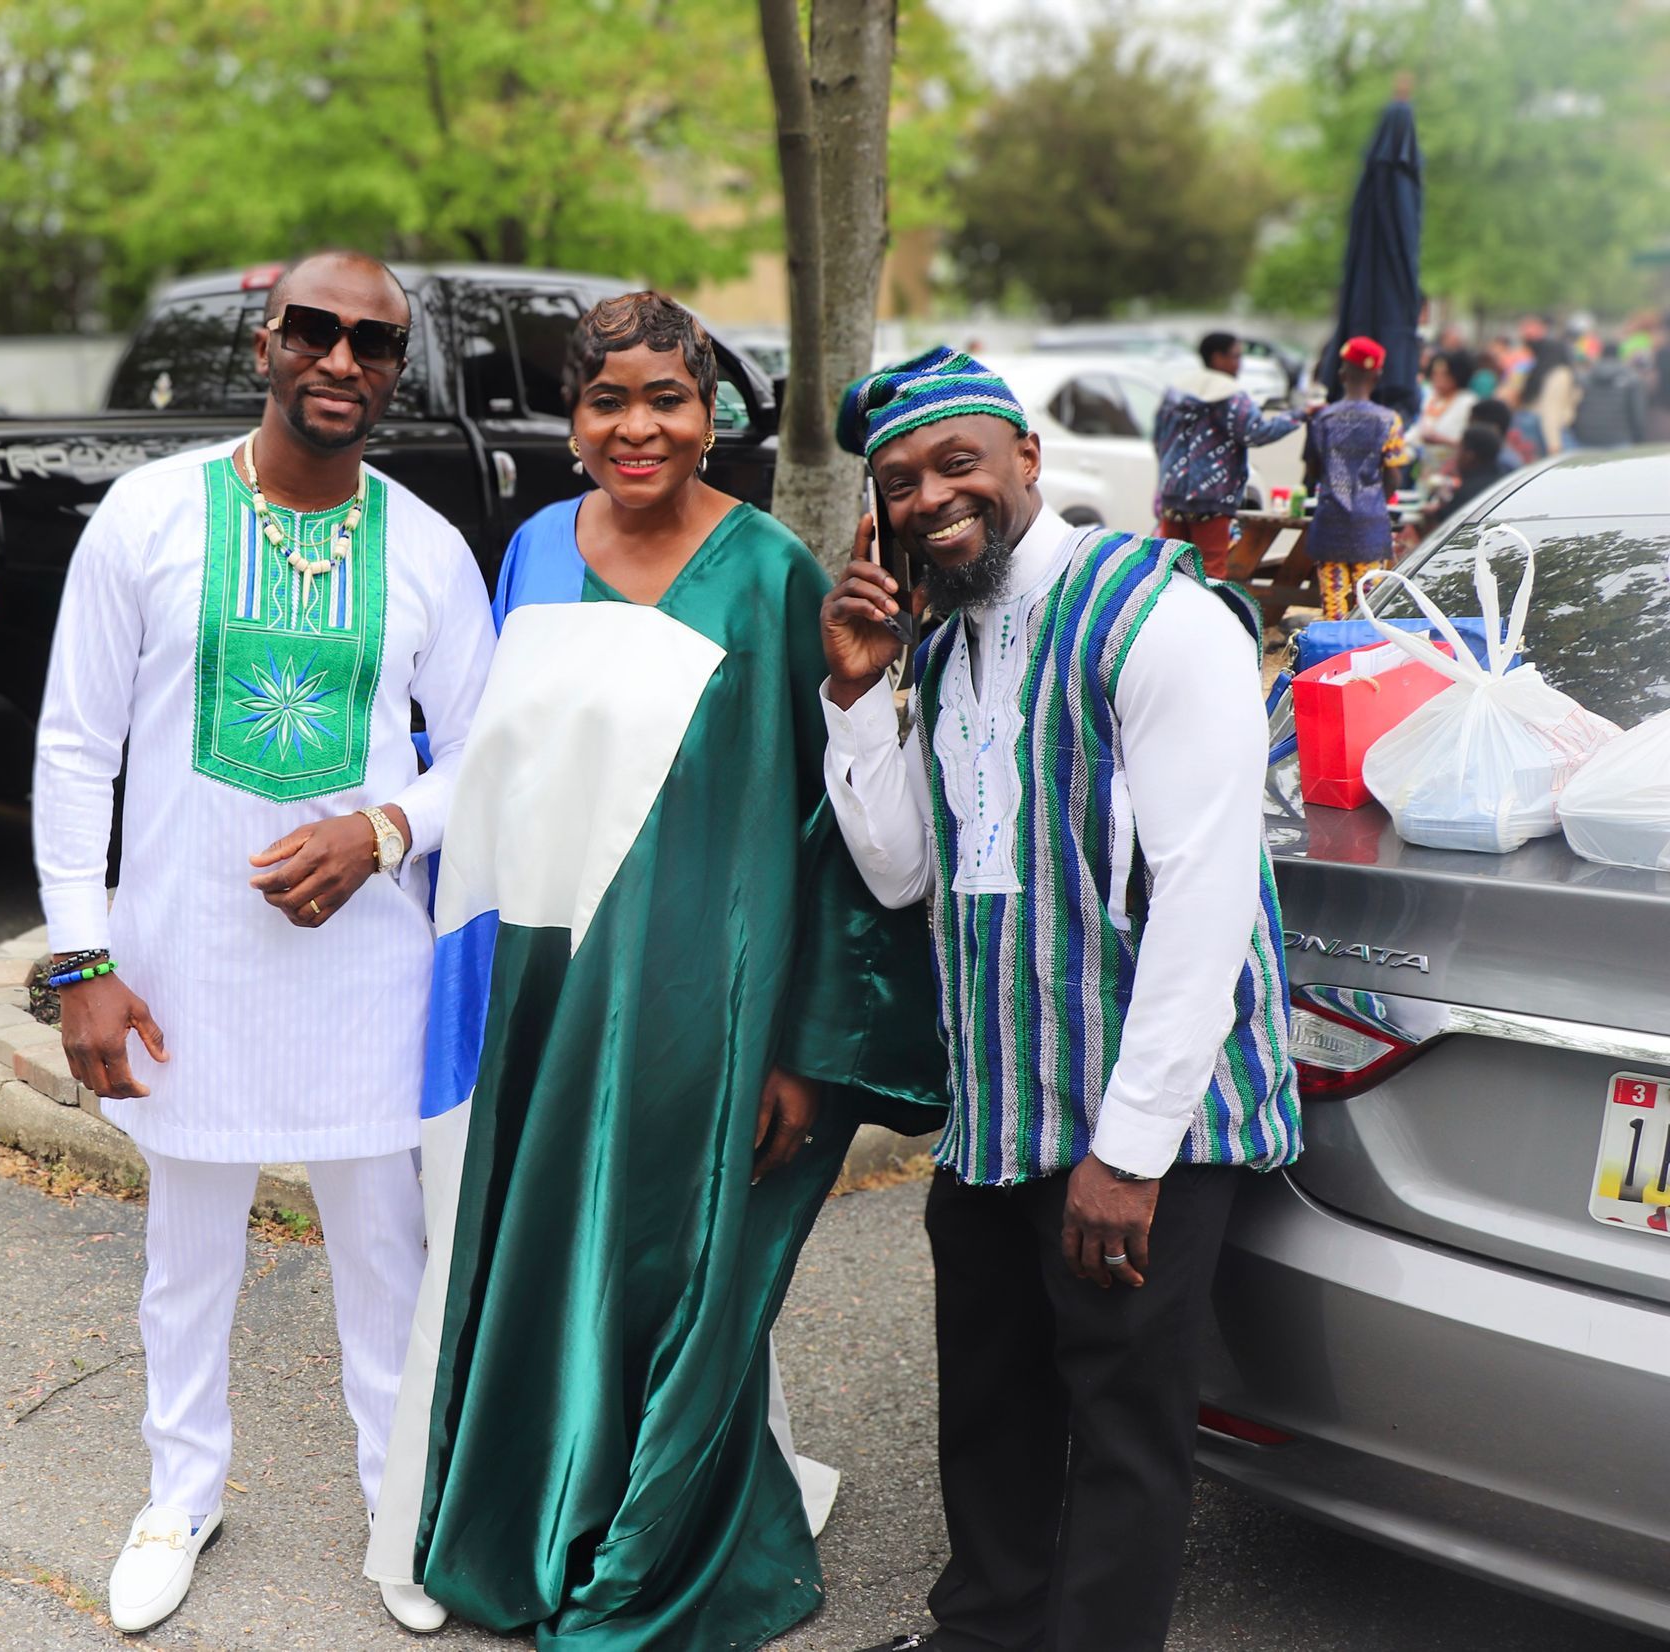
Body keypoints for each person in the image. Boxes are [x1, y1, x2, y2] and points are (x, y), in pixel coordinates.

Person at [364, 293, 940, 1651]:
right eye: (609, 400)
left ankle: (655, 1544)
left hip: (708, 1007)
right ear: (574, 422)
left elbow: (836, 841)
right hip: (545, 993)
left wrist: (799, 1046)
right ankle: (519, 1517)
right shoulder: (528, 555)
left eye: (666, 400)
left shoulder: (770, 575)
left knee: (671, 1270)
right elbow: (494, 781)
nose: (638, 427)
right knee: (543, 1254)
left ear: (712, 416)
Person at [32, 250, 496, 1634]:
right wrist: (81, 961)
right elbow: (72, 749)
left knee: (385, 1254)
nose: (341, 361)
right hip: (181, 962)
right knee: (189, 1256)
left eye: (373, 343)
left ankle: (397, 1501)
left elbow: (484, 749)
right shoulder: (148, 516)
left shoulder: (424, 544)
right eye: (315, 331)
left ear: (394, 372)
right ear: (264, 344)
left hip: (365, 969)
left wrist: (385, 834)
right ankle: (180, 1493)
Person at [818, 348, 1300, 1652]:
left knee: (1125, 1434)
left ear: (1027, 459)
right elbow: (905, 867)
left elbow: (1209, 899)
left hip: (1134, 1132)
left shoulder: (1158, 618)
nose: (930, 499)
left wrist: (1130, 1154)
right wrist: (860, 696)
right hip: (999, 1114)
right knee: (990, 1404)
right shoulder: (951, 645)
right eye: (901, 481)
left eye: (957, 464)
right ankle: (982, 1632)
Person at [1151, 330, 1304, 580]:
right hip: (1211, 497)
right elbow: (1255, 433)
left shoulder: (1174, 393)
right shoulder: (1229, 395)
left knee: (1172, 570)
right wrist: (1298, 415)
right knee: (1211, 570)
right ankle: (1210, 618)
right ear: (1217, 358)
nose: (1239, 364)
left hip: (1172, 495)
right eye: (1235, 356)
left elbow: (1158, 437)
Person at [1304, 336, 1409, 621]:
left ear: (1341, 374)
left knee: (1333, 610)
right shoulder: (1389, 420)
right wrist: (1374, 502)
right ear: (1377, 375)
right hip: (1370, 528)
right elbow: (1394, 477)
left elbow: (1312, 471)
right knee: (1370, 610)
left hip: (1329, 526)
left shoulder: (1322, 418)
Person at [1417, 425, 1505, 536]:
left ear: (1469, 456)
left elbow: (1438, 536)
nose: (1456, 456)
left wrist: (1430, 516)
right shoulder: (1502, 481)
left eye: (1460, 449)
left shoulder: (1467, 493)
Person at [1406, 349, 1476, 477]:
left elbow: (1469, 443)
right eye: (1434, 373)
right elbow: (1417, 431)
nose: (1437, 378)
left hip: (1451, 472)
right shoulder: (1431, 397)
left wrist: (1441, 440)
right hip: (1424, 471)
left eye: (1444, 374)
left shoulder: (1468, 402)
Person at [1571, 338, 1649, 448]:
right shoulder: (1631, 378)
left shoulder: (1584, 378)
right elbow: (1637, 413)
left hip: (1586, 439)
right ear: (1619, 355)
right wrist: (1639, 438)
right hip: (1620, 439)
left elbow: (1575, 408)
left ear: (1601, 354)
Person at [1468, 397, 1523, 476]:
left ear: (1494, 428)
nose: (1469, 430)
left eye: (1474, 425)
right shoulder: (1490, 457)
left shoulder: (1502, 464)